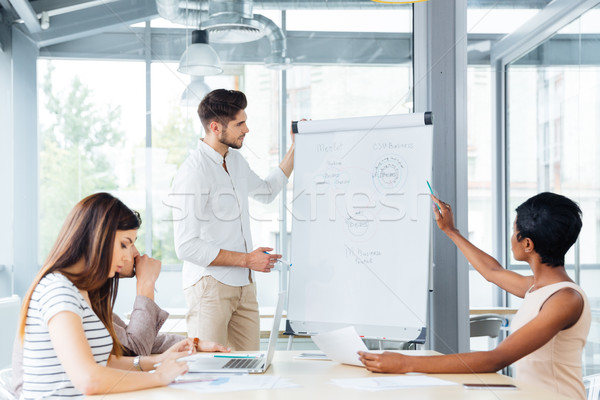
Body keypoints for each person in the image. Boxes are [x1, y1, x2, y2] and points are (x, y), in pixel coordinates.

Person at [358, 192, 591, 400]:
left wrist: (405, 363)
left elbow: (496, 359)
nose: (512, 237)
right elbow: (492, 272)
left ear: (527, 244)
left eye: (514, 231)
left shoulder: (565, 299)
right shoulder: (538, 288)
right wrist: (451, 231)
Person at [15, 193, 190, 398]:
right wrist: (158, 376)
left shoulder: (80, 291)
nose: (129, 257)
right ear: (97, 237)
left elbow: (104, 361)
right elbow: (88, 379)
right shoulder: (58, 290)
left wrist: (156, 362)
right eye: (124, 244)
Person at [12, 242, 230, 398]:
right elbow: (135, 347)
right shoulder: (61, 291)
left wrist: (181, 349)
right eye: (127, 243)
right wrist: (146, 284)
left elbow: (119, 344)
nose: (135, 254)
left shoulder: (85, 291)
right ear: (101, 240)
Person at [170, 89, 295, 351]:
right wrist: (247, 259)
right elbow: (186, 246)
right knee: (207, 371)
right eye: (240, 123)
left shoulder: (235, 160)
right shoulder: (193, 172)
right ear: (215, 127)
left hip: (244, 285)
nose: (247, 129)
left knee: (250, 366)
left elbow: (266, 191)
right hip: (209, 287)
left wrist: (296, 149)